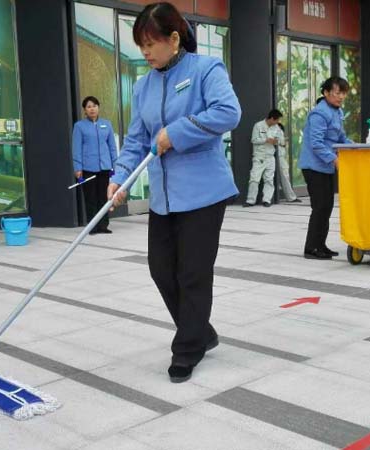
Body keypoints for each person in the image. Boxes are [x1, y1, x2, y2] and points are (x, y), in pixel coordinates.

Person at [107, 2, 240, 383]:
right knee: (161, 269)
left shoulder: (206, 69)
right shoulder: (143, 85)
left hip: (204, 191)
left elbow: (228, 112)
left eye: (151, 44)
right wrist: (120, 178)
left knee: (193, 273)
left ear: (175, 38)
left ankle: (187, 348)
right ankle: (201, 331)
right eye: (141, 45)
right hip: (164, 197)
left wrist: (175, 133)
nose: (145, 52)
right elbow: (136, 140)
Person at [299, 76, 351, 260]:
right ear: (326, 93)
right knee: (320, 206)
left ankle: (320, 245)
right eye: (337, 93)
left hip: (326, 167)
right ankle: (311, 248)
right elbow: (316, 144)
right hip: (314, 166)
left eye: (343, 93)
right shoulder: (319, 114)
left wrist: (357, 148)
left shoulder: (337, 112)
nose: (341, 97)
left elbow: (341, 138)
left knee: (326, 207)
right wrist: (334, 160)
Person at [72, 96, 118, 234]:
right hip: (87, 168)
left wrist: (115, 165)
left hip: (105, 167)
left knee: (104, 197)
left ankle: (103, 225)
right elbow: (76, 148)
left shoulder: (107, 124)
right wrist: (78, 167)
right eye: (89, 107)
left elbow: (112, 147)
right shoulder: (79, 126)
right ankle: (92, 227)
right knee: (90, 198)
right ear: (85, 110)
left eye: (94, 106)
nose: (92, 109)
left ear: (98, 107)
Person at [243, 110, 283, 207]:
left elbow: (281, 140)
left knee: (269, 179)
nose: (278, 122)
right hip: (259, 156)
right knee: (254, 179)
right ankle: (250, 201)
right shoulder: (258, 125)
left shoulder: (276, 128)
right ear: (272, 118)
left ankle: (267, 200)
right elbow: (254, 140)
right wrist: (266, 140)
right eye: (277, 120)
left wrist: (277, 141)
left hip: (270, 156)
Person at [275, 123, 301, 203]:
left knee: (284, 176)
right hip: (279, 156)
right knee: (285, 176)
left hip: (279, 156)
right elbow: (282, 143)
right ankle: (291, 197)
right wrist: (284, 142)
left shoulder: (276, 130)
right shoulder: (277, 130)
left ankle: (290, 196)